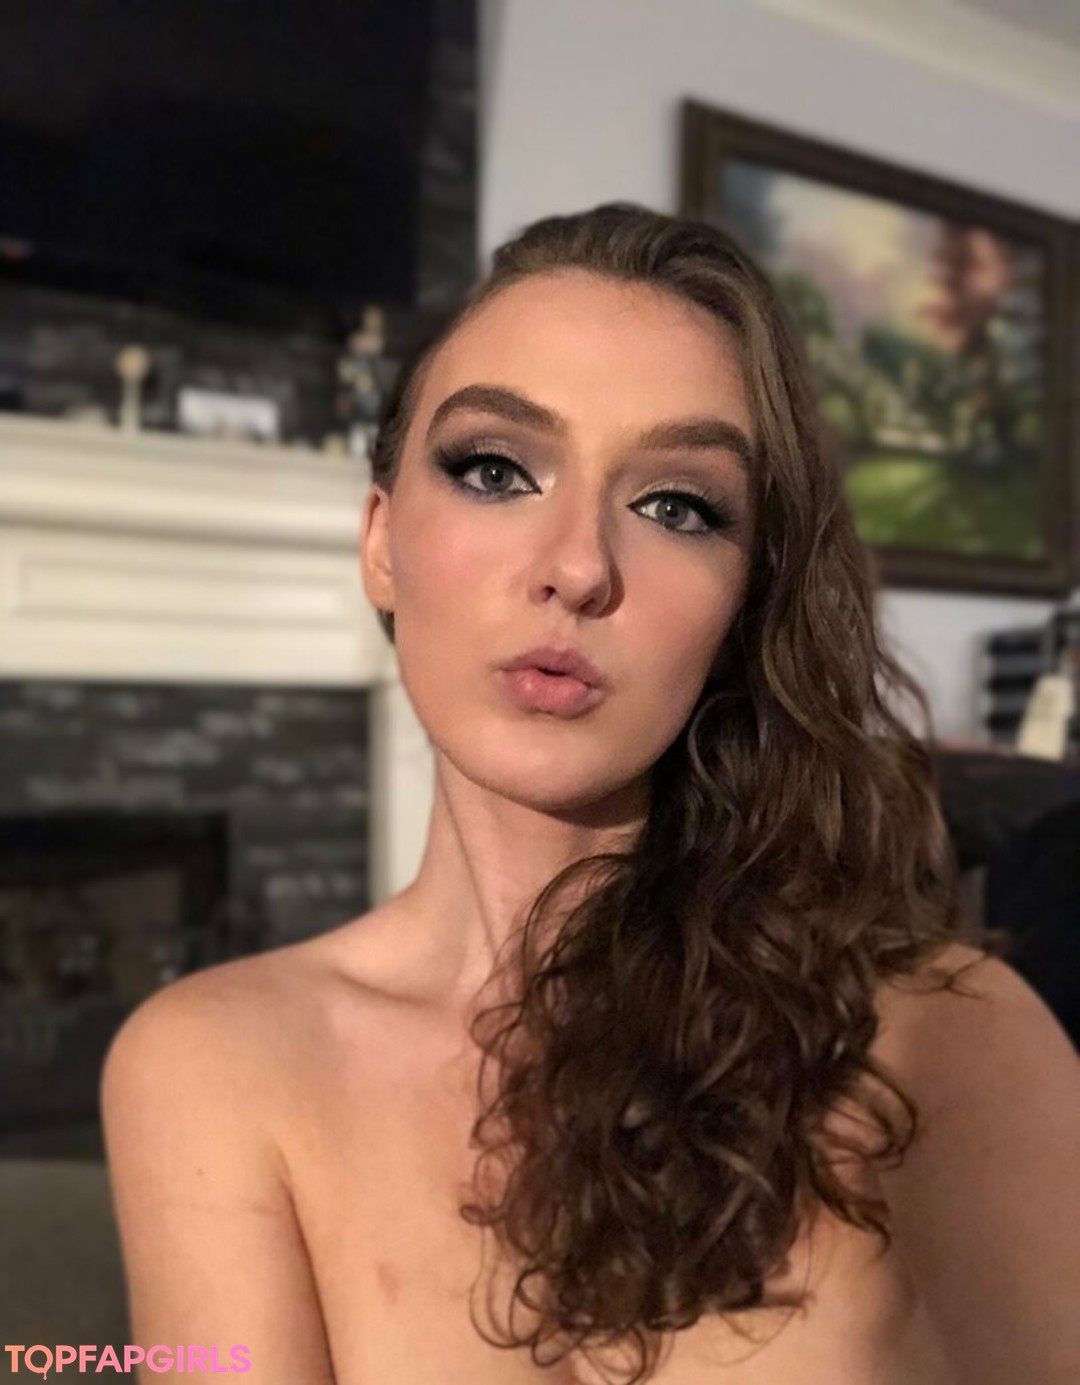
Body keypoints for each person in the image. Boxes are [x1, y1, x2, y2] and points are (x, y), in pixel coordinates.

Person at [100, 204, 1080, 1385]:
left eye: (677, 505)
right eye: (495, 469)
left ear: (742, 603)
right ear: (381, 543)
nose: (577, 565)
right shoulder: (211, 1064)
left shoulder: (941, 1040)